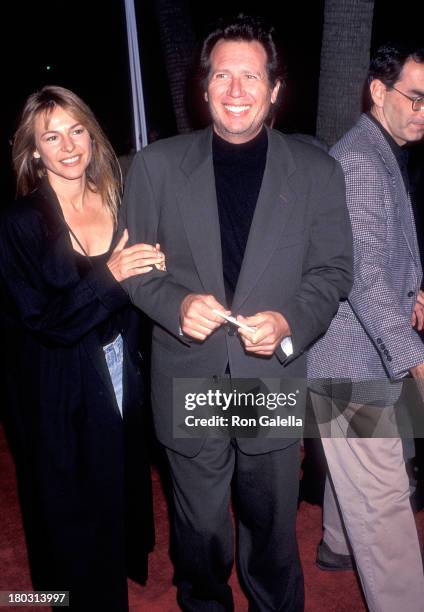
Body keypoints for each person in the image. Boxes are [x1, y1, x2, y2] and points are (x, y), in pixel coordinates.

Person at [121, 15, 352, 611]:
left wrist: (288, 324)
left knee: (273, 529)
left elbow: (333, 271)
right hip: (191, 374)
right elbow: (137, 268)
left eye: (250, 75)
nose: (235, 89)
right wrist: (177, 305)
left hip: (267, 375)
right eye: (222, 75)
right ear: (204, 88)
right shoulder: (155, 167)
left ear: (275, 88)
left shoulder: (319, 172)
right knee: (199, 530)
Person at [0, 85, 165, 611]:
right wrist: (111, 275)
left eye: (77, 131)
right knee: (69, 512)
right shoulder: (19, 223)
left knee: (116, 490)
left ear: (92, 136)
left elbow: (135, 296)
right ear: (33, 150)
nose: (68, 146)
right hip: (55, 386)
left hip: (120, 371)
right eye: (52, 136)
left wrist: (153, 268)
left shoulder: (118, 199)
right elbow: (42, 322)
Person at [308, 43, 424, 612]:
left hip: (363, 348)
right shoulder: (358, 159)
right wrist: (415, 357)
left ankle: (334, 544)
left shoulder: (384, 148)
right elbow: (363, 276)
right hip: (348, 357)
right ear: (378, 91)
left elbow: (386, 246)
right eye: (417, 97)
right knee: (386, 501)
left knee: (374, 461)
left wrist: (416, 290)